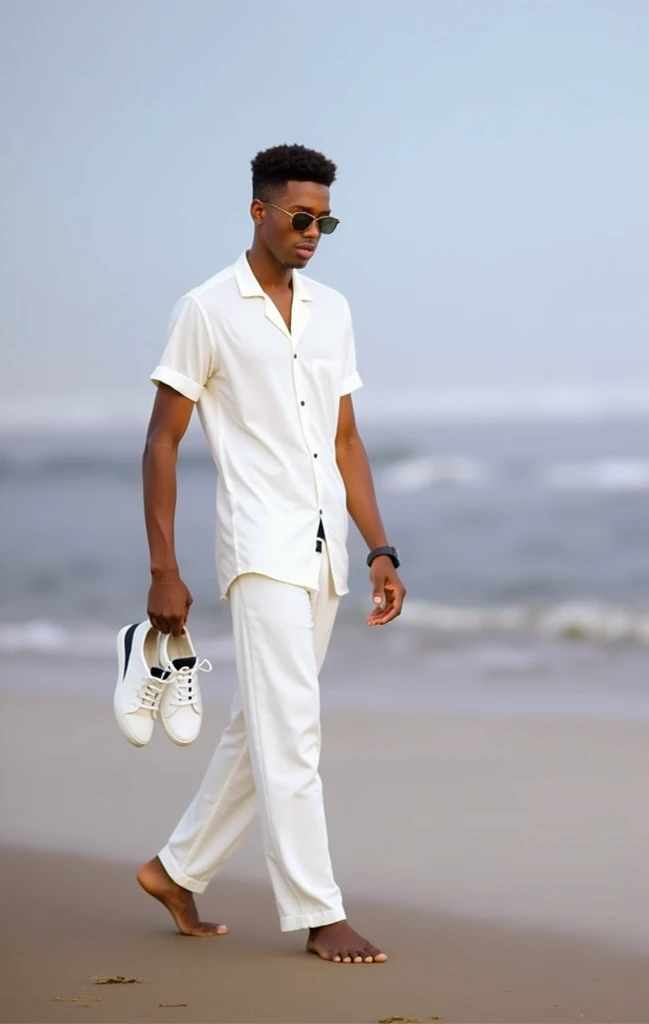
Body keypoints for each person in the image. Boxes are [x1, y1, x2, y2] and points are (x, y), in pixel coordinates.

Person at [136, 144, 406, 964]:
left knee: (263, 725)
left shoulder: (333, 309)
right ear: (258, 212)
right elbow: (160, 442)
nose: (313, 231)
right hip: (257, 546)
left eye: (325, 219)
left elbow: (346, 437)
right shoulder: (206, 309)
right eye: (300, 216)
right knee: (293, 732)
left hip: (324, 547)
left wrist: (380, 549)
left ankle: (175, 869)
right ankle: (318, 913)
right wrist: (163, 569)